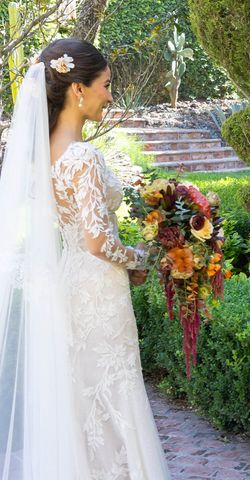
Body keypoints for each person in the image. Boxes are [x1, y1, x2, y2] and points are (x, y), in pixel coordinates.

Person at [0, 38, 170, 479]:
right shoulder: (83, 156)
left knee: (83, 394)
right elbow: (98, 242)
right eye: (106, 85)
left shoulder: (45, 156)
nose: (110, 96)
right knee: (115, 391)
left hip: (68, 279)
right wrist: (140, 258)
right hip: (98, 285)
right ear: (78, 89)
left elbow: (80, 235)